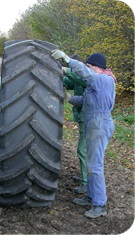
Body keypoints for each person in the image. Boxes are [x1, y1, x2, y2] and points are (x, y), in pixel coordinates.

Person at [52, 50, 116, 219]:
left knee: (95, 165)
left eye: (89, 66)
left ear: (97, 67)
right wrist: (68, 98)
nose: (88, 69)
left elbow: (86, 75)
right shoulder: (96, 84)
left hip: (100, 124)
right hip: (93, 123)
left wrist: (67, 61)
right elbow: (84, 101)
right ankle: (91, 196)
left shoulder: (105, 80)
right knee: (90, 163)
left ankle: (100, 204)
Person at [63, 54, 87, 194]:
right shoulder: (77, 78)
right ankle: (85, 176)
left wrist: (65, 70)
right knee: (83, 151)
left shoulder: (86, 78)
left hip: (87, 119)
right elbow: (67, 82)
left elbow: (80, 79)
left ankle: (86, 182)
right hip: (83, 118)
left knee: (83, 151)